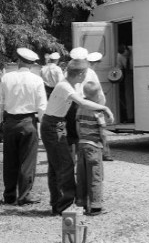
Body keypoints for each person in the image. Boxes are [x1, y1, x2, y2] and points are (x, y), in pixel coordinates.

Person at [41, 59, 113, 215]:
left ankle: (57, 203)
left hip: (56, 123)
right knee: (65, 165)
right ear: (80, 74)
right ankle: (65, 205)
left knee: (56, 165)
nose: (85, 77)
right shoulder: (64, 86)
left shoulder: (71, 85)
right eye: (85, 74)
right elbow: (82, 102)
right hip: (53, 125)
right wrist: (104, 108)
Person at [0, 48, 48, 206]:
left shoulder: (6, 78)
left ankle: (9, 195)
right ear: (32, 64)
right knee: (27, 161)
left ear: (18, 61)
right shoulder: (36, 80)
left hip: (10, 121)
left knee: (10, 160)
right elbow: (42, 106)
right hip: (28, 122)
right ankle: (24, 195)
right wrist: (43, 125)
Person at [75, 81, 111, 216]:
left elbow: (77, 126)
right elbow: (102, 131)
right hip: (94, 146)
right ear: (97, 96)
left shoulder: (80, 108)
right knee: (95, 176)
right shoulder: (98, 111)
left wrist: (81, 139)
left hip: (82, 144)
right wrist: (105, 146)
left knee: (82, 176)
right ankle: (96, 206)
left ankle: (82, 203)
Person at [87, 51, 113, 161]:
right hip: (94, 105)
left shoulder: (82, 72)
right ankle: (105, 153)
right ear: (96, 63)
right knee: (101, 130)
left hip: (83, 104)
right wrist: (102, 105)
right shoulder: (91, 73)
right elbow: (99, 92)